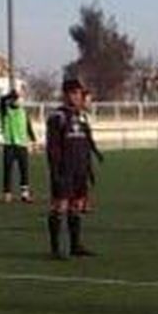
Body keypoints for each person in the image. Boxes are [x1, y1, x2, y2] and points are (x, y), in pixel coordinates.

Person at [44, 78, 105, 258]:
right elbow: (53, 147)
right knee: (59, 206)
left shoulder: (82, 116)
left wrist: (89, 168)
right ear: (67, 95)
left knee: (76, 206)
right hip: (64, 170)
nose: (79, 97)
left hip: (80, 170)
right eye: (76, 93)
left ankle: (75, 245)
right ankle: (55, 249)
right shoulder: (58, 117)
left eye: (80, 93)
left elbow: (86, 143)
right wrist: (55, 171)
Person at [0, 91, 35, 203]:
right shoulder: (6, 111)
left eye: (17, 99)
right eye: (13, 99)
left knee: (24, 170)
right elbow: (1, 101)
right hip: (9, 144)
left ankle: (25, 194)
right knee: (7, 170)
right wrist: (10, 94)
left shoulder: (23, 111)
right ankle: (7, 193)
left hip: (22, 144)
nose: (16, 101)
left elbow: (28, 126)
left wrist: (33, 139)